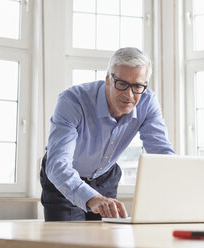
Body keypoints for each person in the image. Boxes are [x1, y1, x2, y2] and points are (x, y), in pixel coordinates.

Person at [40, 47, 175, 221]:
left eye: (137, 86)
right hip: (64, 177)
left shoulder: (148, 102)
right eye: (121, 84)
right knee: (67, 241)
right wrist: (91, 198)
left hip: (105, 177)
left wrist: (177, 188)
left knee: (106, 239)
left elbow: (161, 152)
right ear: (108, 79)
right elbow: (57, 163)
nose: (129, 94)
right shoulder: (72, 101)